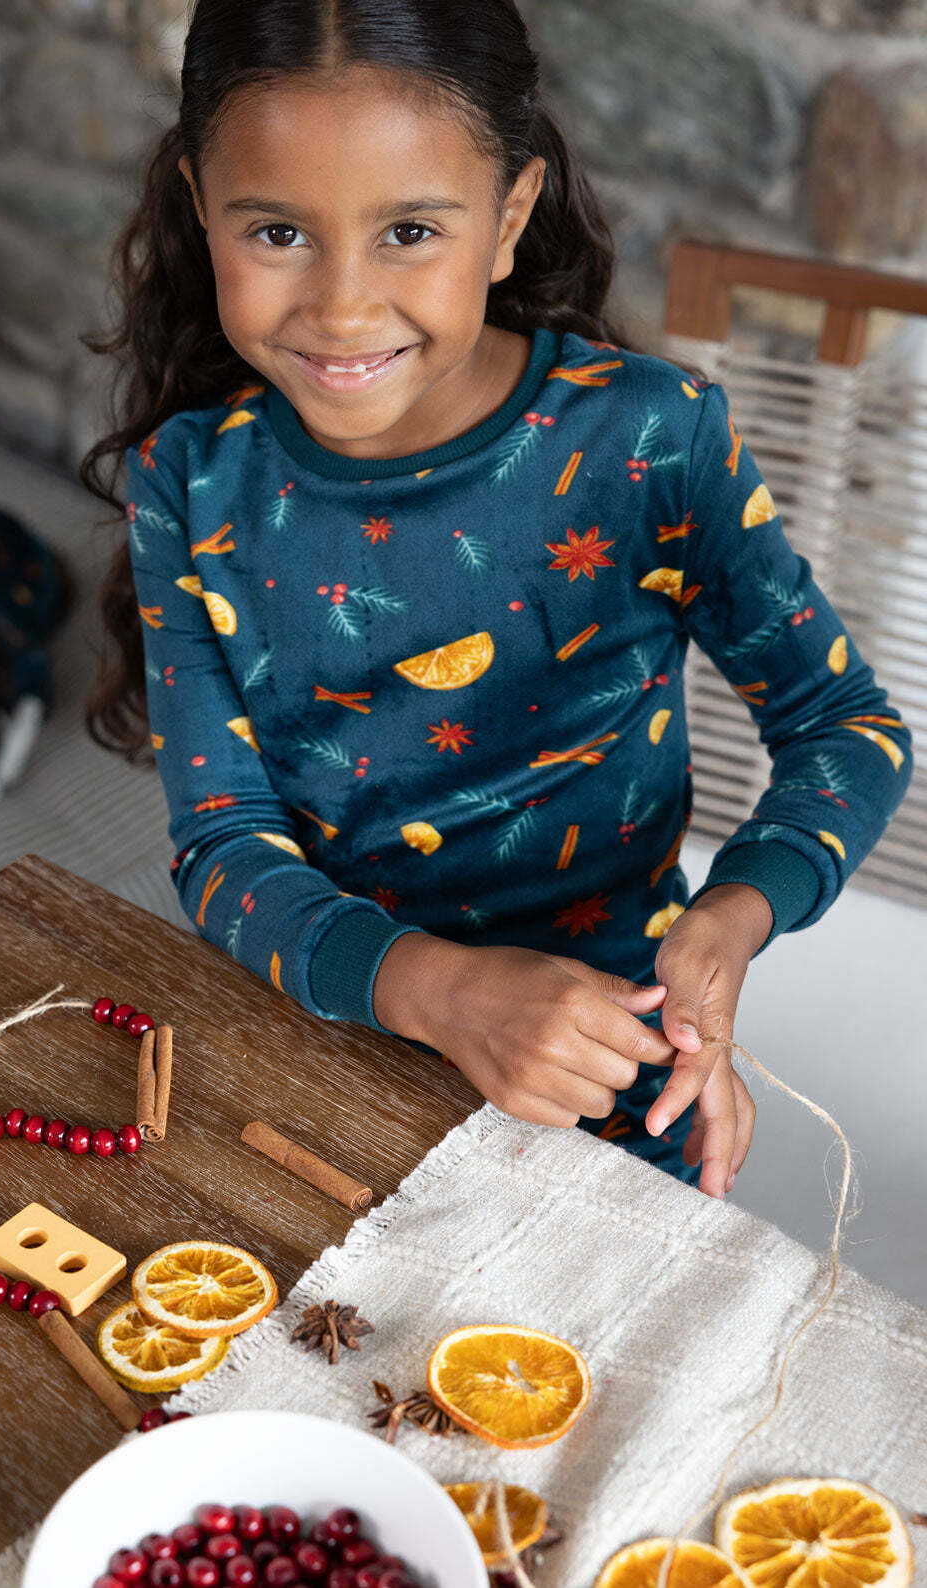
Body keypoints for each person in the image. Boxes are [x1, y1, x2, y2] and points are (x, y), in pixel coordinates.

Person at [81, 0, 913, 1202]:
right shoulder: (190, 483)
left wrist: (735, 912)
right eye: (276, 232)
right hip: (328, 1033)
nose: (344, 308)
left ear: (510, 216)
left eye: (410, 229)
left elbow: (846, 728)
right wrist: (443, 989)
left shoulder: (651, 443)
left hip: (616, 1061)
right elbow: (221, 847)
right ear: (199, 203)